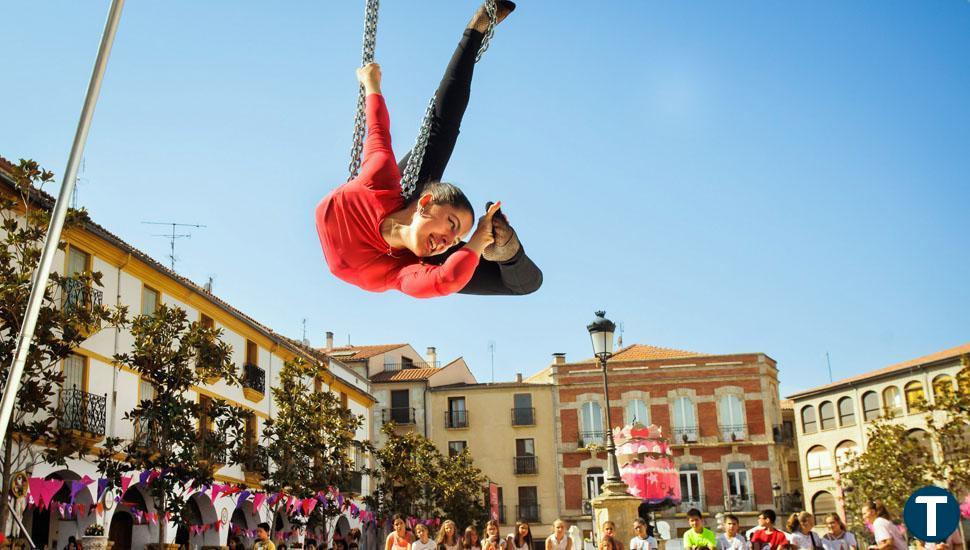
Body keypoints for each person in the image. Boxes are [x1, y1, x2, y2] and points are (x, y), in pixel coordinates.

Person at [315, 1, 544, 299]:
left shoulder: (405, 269)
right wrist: (372, 84)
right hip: (397, 201)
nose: (448, 241)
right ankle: (473, 32)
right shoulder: (378, 179)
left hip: (407, 220)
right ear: (424, 203)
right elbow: (378, 132)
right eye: (451, 226)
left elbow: (445, 279)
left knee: (527, 282)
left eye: (455, 238)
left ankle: (506, 249)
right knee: (440, 129)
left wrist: (479, 241)